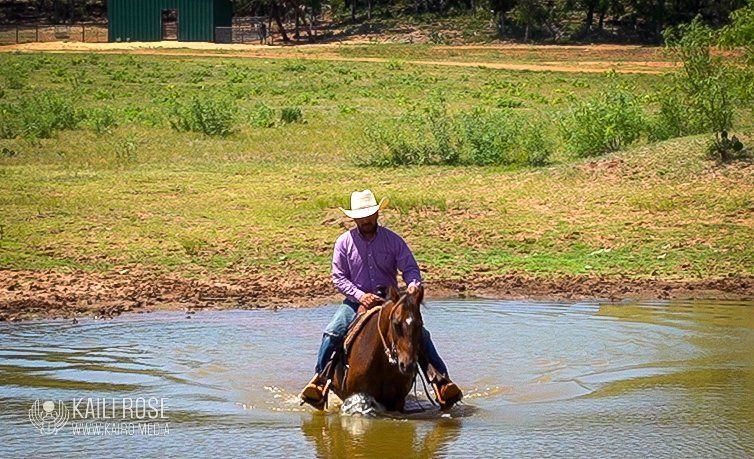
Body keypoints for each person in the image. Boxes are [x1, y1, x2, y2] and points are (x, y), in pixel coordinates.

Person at [299, 189, 462, 410]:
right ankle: (320, 381)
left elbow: (411, 269)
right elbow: (338, 278)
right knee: (333, 331)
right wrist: (360, 295)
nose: (365, 220)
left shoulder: (393, 241)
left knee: (419, 334)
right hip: (357, 301)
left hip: (389, 301)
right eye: (361, 216)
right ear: (354, 218)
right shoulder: (344, 243)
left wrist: (413, 287)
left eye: (369, 215)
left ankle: (440, 382)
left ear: (377, 214)